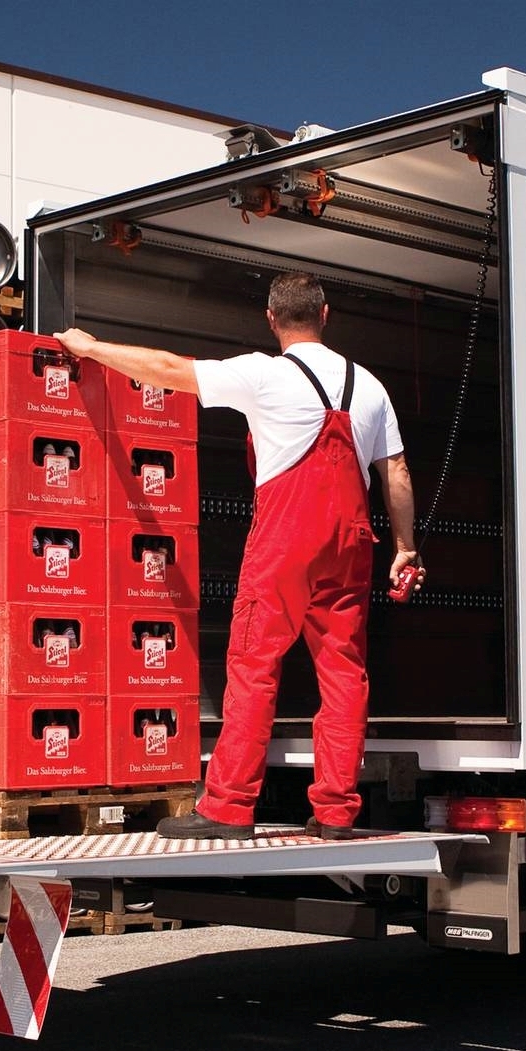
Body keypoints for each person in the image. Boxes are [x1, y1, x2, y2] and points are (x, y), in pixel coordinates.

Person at [53, 271, 422, 839]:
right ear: (325, 315)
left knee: (254, 665)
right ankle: (336, 813)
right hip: (350, 544)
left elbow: (168, 369)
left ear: (271, 319)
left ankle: (228, 808)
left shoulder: (264, 374)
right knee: (345, 673)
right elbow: (395, 470)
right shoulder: (370, 386)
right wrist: (405, 548)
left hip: (285, 541)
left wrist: (92, 347)